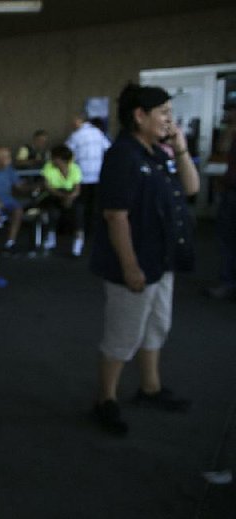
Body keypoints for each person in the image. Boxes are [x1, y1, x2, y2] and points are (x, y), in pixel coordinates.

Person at [89, 83, 199, 436]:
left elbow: (192, 188)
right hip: (134, 263)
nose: (170, 120)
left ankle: (150, 387)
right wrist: (130, 266)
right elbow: (116, 216)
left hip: (161, 260)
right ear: (139, 116)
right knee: (123, 335)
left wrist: (181, 151)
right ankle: (105, 400)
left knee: (156, 326)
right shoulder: (123, 155)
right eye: (163, 113)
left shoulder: (158, 153)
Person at [204, 101, 236, 300]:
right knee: (227, 238)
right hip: (231, 190)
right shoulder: (231, 132)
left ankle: (228, 282)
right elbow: (222, 149)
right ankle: (227, 281)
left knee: (229, 238)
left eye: (230, 111)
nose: (227, 114)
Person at [66, 112, 111, 238]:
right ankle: (94, 233)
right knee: (95, 206)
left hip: (82, 176)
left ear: (80, 121)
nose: (72, 125)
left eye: (74, 122)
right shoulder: (98, 133)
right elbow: (108, 148)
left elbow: (66, 152)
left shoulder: (76, 135)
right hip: (97, 176)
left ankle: (80, 231)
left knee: (80, 205)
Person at [41, 144, 85, 256]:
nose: (52, 160)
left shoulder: (75, 168)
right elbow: (48, 187)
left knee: (78, 212)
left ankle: (78, 243)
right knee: (53, 212)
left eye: (54, 157)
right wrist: (61, 196)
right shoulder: (48, 167)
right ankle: (51, 237)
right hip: (55, 194)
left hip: (71, 194)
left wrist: (70, 197)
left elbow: (77, 189)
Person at [0, 146, 30, 251]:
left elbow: (19, 186)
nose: (9, 160)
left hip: (7, 199)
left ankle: (10, 242)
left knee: (18, 210)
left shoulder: (9, 169)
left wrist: (36, 186)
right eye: (6, 157)